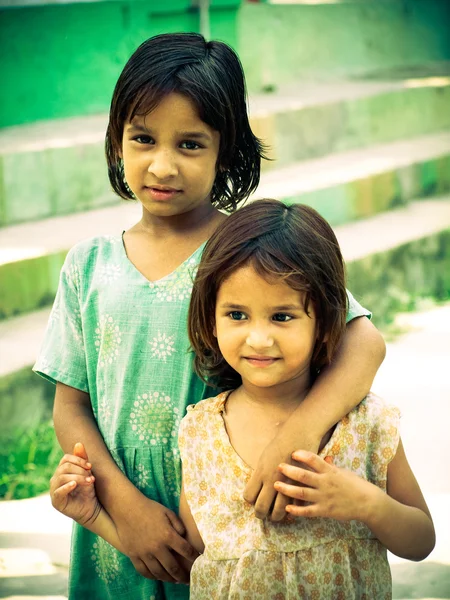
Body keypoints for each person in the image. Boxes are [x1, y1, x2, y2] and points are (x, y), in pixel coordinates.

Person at [36, 31, 385, 599]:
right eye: (143, 138)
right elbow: (70, 407)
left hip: (231, 519)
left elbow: (364, 343)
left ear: (227, 149)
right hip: (119, 530)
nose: (163, 165)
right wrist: (127, 513)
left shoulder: (247, 248)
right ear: (116, 141)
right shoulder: (88, 265)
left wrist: (292, 439)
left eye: (191, 144)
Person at [51, 200, 434, 599]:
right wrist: (95, 516)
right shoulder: (202, 433)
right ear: (210, 320)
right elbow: (190, 558)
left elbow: (421, 540)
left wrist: (367, 503)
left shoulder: (365, 423)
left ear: (325, 323)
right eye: (236, 315)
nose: (258, 338)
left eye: (282, 317)